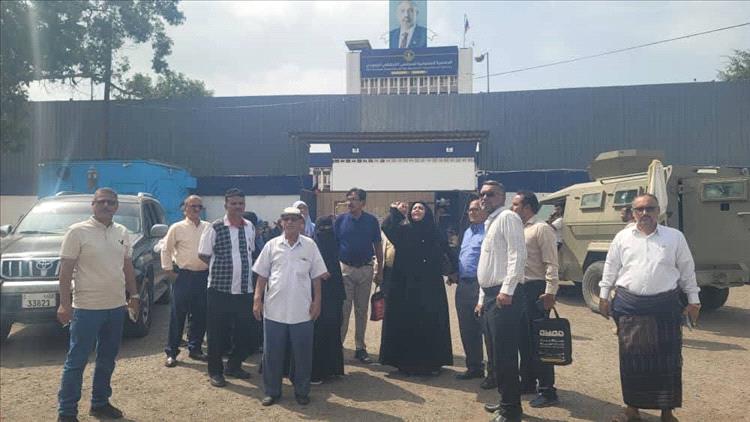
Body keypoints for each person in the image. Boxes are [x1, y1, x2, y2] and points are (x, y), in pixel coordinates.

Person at [599, 194, 700, 422]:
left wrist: (693, 300)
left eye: (650, 208)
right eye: (640, 209)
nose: (645, 213)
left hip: (665, 307)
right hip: (630, 306)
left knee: (668, 360)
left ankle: (667, 412)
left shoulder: (674, 237)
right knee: (631, 360)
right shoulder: (622, 237)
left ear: (658, 211)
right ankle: (632, 409)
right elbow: (611, 266)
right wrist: (604, 296)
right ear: (633, 212)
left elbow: (687, 269)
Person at [56, 188, 140, 422]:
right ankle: (67, 412)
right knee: (76, 361)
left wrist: (134, 295)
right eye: (101, 201)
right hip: (86, 308)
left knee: (107, 359)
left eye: (111, 202)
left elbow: (127, 267)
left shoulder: (122, 232)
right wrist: (64, 304)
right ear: (92, 204)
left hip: (116, 306)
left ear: (116, 206)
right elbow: (65, 271)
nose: (106, 206)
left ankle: (100, 403)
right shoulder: (77, 231)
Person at [253, 207, 327, 406]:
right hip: (274, 310)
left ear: (302, 222)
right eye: (286, 219)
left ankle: (302, 391)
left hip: (302, 311)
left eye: (294, 219)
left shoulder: (310, 246)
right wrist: (257, 298)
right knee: (272, 354)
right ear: (281, 222)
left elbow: (317, 277)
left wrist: (317, 301)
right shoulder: (271, 245)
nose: (290, 222)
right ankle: (272, 391)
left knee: (303, 354)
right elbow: (262, 275)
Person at [380, 202, 456, 375]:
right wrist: (395, 213)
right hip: (405, 285)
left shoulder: (435, 231)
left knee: (429, 321)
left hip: (430, 285)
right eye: (414, 208)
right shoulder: (403, 231)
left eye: (421, 208)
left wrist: (454, 270)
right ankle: (404, 363)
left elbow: (447, 250)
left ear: (427, 213)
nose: (416, 210)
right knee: (407, 321)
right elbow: (387, 227)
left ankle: (432, 363)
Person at [476, 181, 527, 422]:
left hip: (503, 296)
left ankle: (511, 409)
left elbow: (517, 255)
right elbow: (490, 264)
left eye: (490, 194)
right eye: (482, 194)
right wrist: (481, 296)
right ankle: (505, 399)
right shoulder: (491, 221)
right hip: (490, 295)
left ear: (502, 197)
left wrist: (507, 290)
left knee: (505, 354)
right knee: (496, 353)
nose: (484, 198)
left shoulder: (508, 217)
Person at [198, 188, 257, 388]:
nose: (237, 207)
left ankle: (234, 365)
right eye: (233, 203)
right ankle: (215, 372)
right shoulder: (215, 227)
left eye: (241, 203)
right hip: (219, 290)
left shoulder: (249, 226)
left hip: (244, 290)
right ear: (226, 205)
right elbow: (203, 254)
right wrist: (223, 268)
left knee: (244, 332)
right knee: (217, 333)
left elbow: (250, 253)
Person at [511, 191, 561, 408]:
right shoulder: (518, 229)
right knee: (523, 340)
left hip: (537, 290)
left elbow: (551, 262)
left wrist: (550, 292)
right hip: (519, 290)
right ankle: (528, 382)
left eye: (515, 204)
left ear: (528, 207)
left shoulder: (541, 229)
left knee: (540, 342)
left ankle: (548, 390)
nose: (512, 208)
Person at [334, 188, 384, 364]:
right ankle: (337, 348)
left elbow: (378, 246)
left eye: (354, 199)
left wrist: (380, 270)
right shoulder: (340, 220)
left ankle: (360, 347)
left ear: (363, 202)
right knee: (343, 310)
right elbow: (334, 245)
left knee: (361, 310)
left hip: (365, 270)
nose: (350, 202)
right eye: (348, 199)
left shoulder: (371, 221)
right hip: (345, 270)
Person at [161, 195, 211, 367]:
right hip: (183, 276)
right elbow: (166, 249)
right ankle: (172, 352)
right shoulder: (177, 228)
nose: (196, 209)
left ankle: (195, 349)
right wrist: (168, 271)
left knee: (200, 314)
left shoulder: (208, 227)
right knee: (178, 315)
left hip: (203, 276)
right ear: (185, 208)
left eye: (199, 207)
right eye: (192, 206)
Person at [452, 199, 494, 385]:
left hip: (481, 285)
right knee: (467, 328)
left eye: (476, 209)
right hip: (463, 285)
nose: (472, 212)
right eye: (470, 209)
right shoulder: (468, 231)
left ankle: (493, 372)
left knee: (487, 329)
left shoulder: (490, 231)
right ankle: (474, 366)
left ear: (485, 211)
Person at [310, 215, 346, 383]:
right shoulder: (311, 247)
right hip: (317, 294)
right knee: (318, 332)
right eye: (322, 229)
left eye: (329, 228)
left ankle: (333, 368)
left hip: (334, 293)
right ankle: (317, 370)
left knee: (333, 328)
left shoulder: (335, 244)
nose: (326, 232)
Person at [381, 201, 407, 298]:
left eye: (405, 206)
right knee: (386, 297)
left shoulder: (408, 225)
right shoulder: (389, 224)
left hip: (404, 269)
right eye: (400, 205)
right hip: (388, 269)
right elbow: (385, 227)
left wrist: (395, 211)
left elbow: (393, 231)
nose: (403, 207)